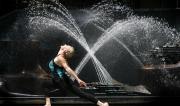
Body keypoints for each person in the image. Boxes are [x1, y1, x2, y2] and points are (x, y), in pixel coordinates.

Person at [44, 44, 109, 106]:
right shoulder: (60, 53)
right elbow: (62, 48)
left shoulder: (61, 58)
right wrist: (64, 47)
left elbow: (68, 69)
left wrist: (78, 79)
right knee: (46, 85)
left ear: (65, 50)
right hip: (61, 79)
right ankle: (48, 102)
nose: (65, 44)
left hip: (61, 80)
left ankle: (101, 104)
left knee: (47, 86)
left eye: (67, 46)